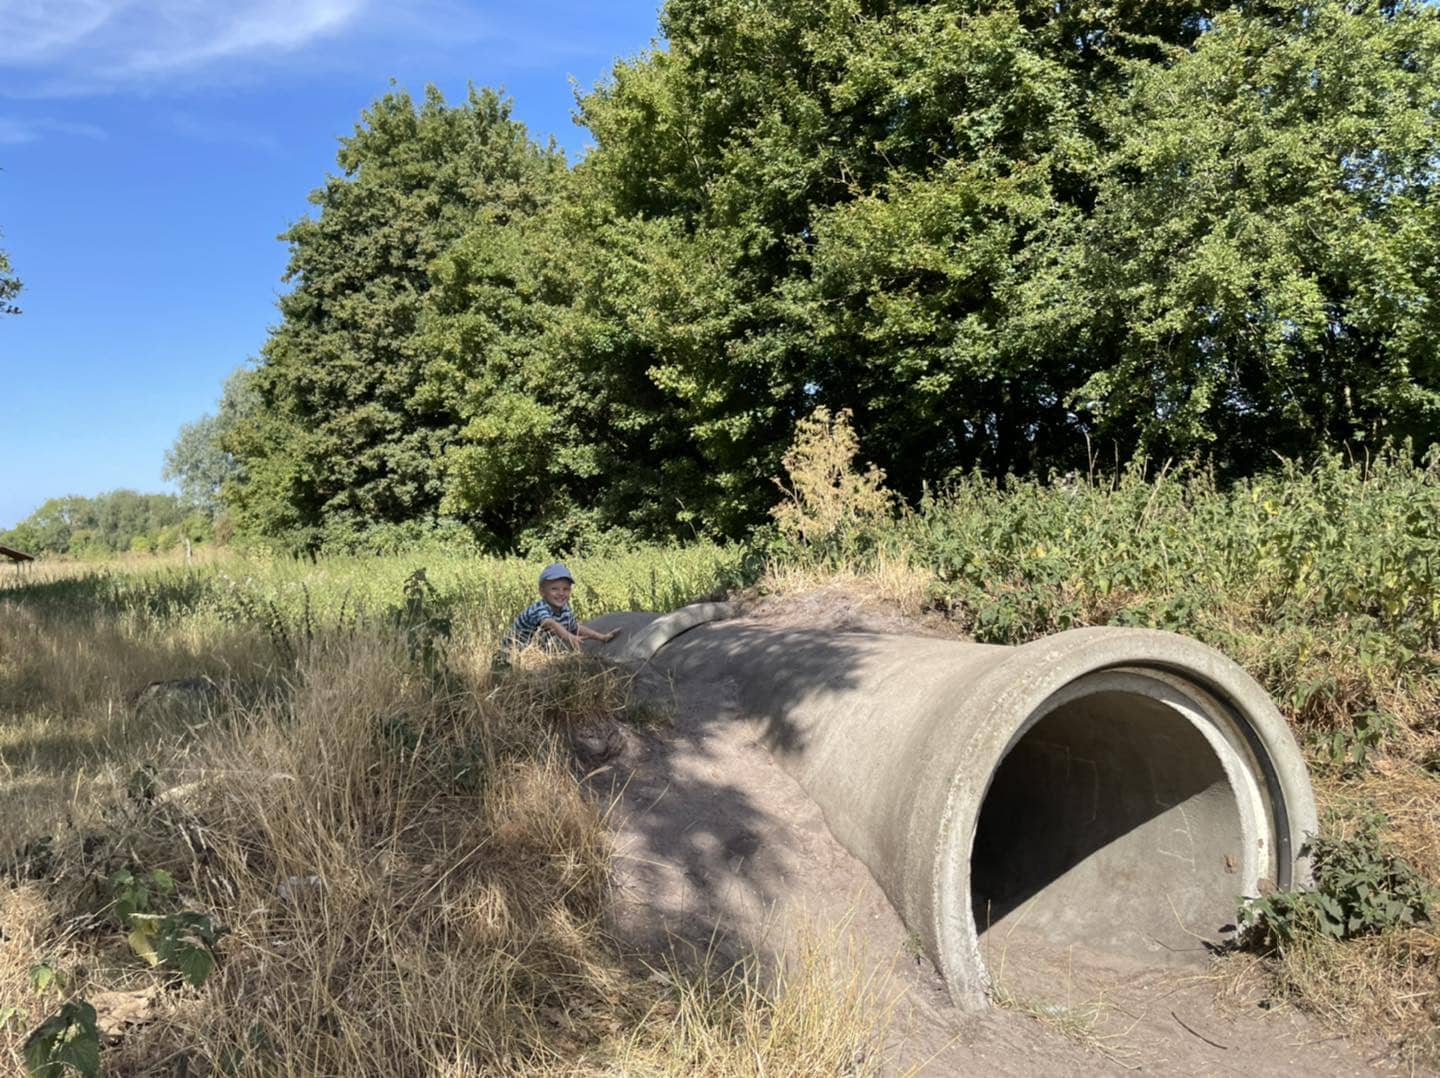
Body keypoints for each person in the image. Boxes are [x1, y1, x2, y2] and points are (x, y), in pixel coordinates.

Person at [503, 563, 620, 653]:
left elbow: (575, 627)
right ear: (542, 592)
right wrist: (570, 637)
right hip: (511, 651)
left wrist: (601, 637)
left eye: (566, 589)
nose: (561, 593)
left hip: (532, 651)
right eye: (554, 589)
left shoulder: (565, 610)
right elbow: (548, 622)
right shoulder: (539, 608)